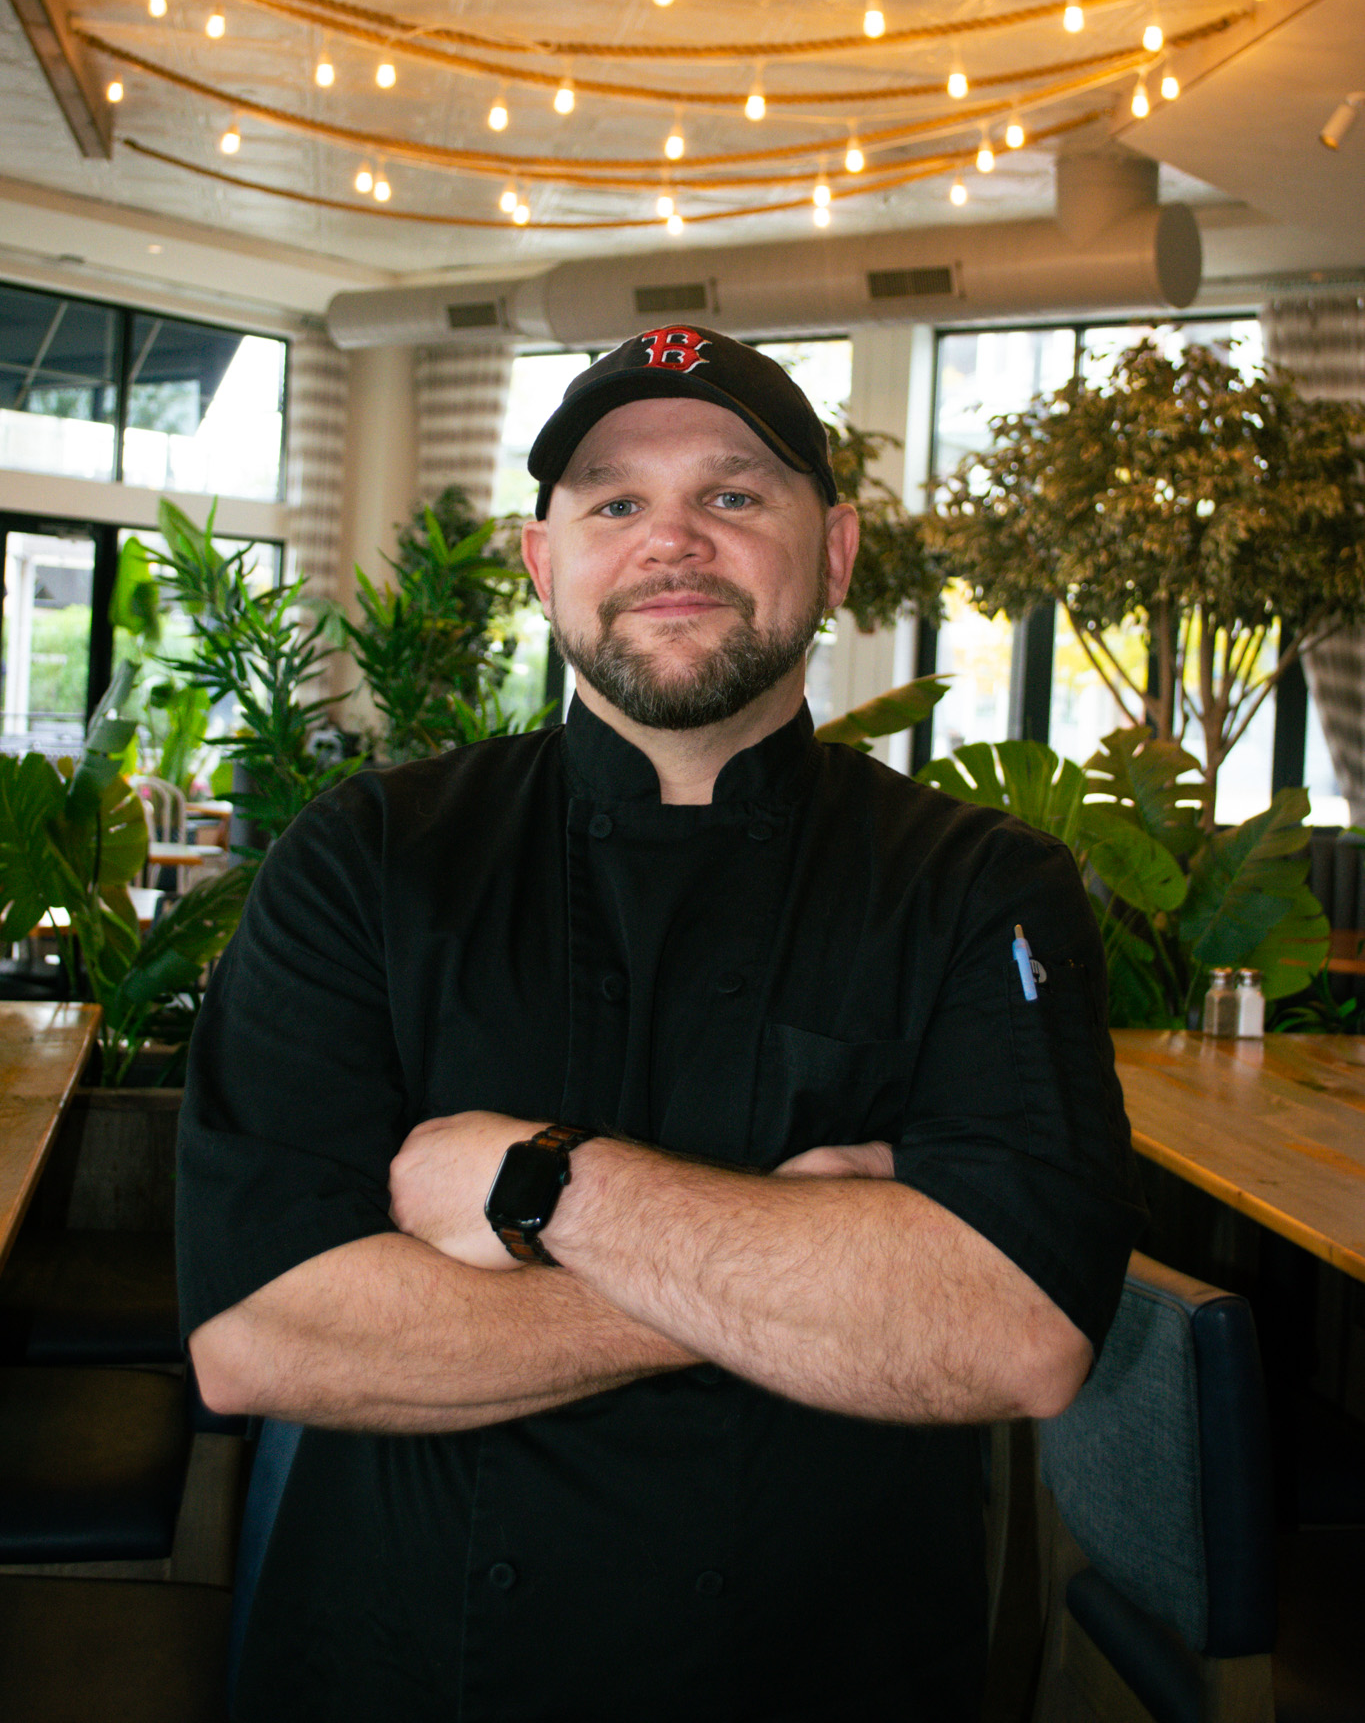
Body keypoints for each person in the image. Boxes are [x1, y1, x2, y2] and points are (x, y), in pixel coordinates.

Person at [180, 325, 1145, 1723]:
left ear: (834, 553)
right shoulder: (370, 857)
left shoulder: (978, 885)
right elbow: (262, 1336)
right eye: (615, 502)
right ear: (540, 561)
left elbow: (1016, 1334)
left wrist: (534, 1187)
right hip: (407, 1667)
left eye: (734, 496)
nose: (672, 541)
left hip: (827, 1674)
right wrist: (789, 1270)